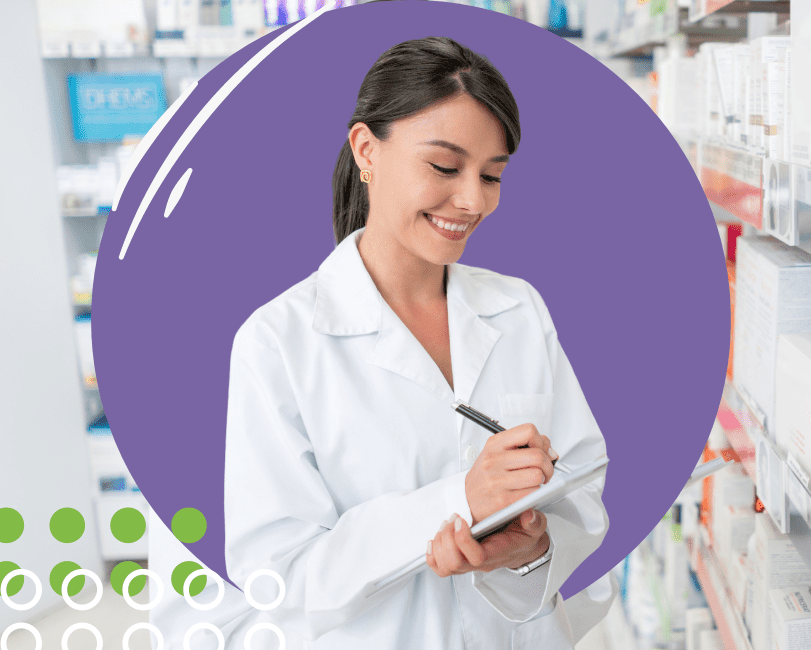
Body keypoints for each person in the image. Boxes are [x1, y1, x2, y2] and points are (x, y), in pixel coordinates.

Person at [223, 36, 613, 649]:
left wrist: (526, 550)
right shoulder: (279, 343)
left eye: (491, 175)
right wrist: (460, 498)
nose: (472, 200)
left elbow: (583, 492)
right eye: (444, 167)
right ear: (365, 149)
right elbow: (280, 577)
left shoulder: (519, 310)